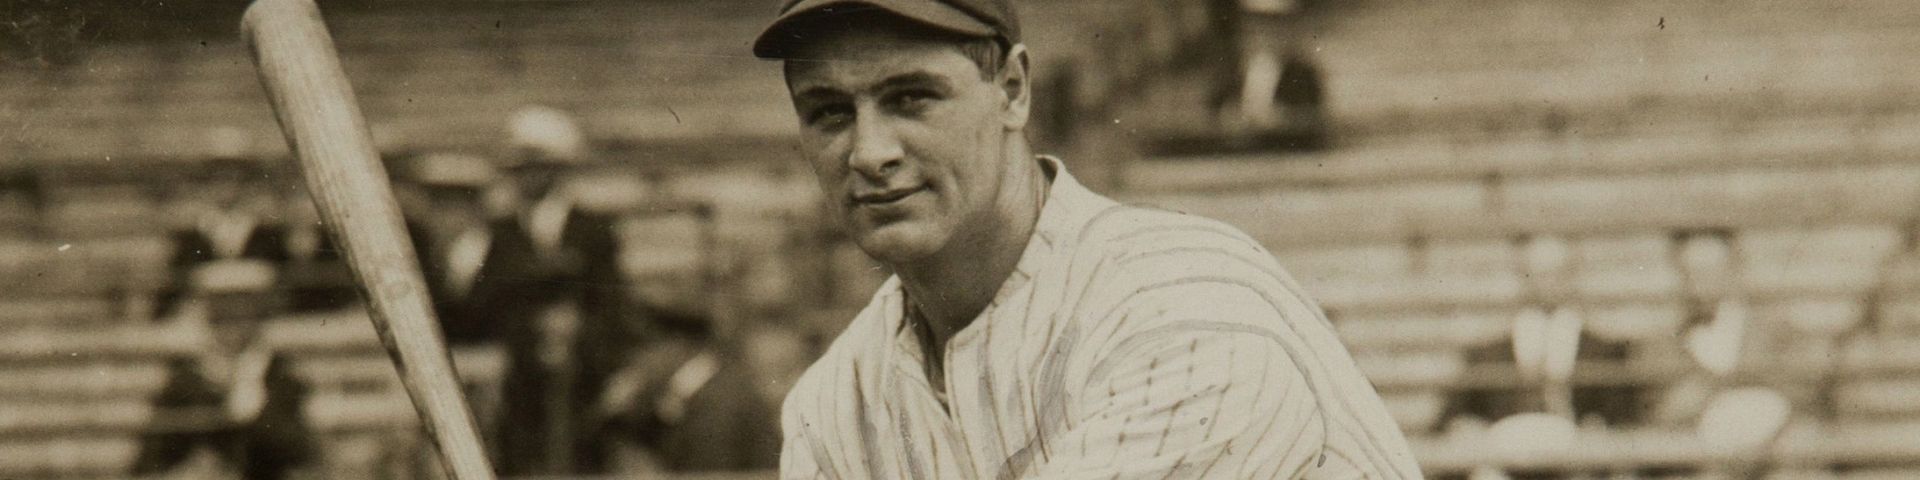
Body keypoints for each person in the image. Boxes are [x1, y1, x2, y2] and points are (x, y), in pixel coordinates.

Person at [752, 1, 1421, 477]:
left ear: (1013, 90)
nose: (868, 152)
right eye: (829, 113)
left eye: (911, 98)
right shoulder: (835, 402)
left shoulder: (1182, 304)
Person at [133, 260, 318, 480]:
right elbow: (150, 459)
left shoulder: (281, 376)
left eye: (243, 315)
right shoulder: (185, 379)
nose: (232, 329)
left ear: (259, 317)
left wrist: (256, 413)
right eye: (222, 317)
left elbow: (302, 453)